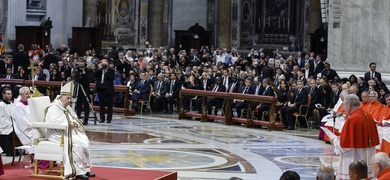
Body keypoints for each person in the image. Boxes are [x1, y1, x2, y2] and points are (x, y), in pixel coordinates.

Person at [45, 82, 95, 180]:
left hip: (68, 131)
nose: (69, 100)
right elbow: (53, 123)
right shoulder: (53, 108)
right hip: (56, 133)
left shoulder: (66, 106)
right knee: (76, 143)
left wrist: (75, 123)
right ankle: (77, 171)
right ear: (61, 97)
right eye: (67, 98)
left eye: (70, 98)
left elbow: (73, 117)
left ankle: (85, 169)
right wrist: (69, 124)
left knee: (84, 140)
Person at [331, 94, 380, 179]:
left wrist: (334, 141)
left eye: (344, 105)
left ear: (349, 105)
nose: (343, 108)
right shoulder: (368, 116)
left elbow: (344, 146)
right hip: (367, 157)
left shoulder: (352, 119)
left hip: (354, 158)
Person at [94, 59, 115, 123]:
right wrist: (99, 69)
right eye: (103, 63)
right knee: (101, 104)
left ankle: (109, 119)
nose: (104, 65)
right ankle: (102, 118)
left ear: (108, 64)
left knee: (109, 105)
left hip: (108, 89)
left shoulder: (111, 70)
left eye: (105, 63)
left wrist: (106, 72)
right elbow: (94, 75)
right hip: (101, 88)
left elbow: (112, 78)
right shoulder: (99, 70)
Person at [74, 59, 92, 125]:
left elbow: (90, 78)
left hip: (85, 89)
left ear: (84, 63)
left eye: (82, 62)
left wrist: (84, 73)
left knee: (86, 105)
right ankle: (78, 118)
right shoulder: (77, 69)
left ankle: (86, 119)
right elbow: (75, 78)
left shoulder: (88, 70)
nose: (81, 63)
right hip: (79, 89)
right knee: (78, 104)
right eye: (80, 62)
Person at [0, 87, 14, 156]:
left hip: (12, 125)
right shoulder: (1, 105)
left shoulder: (12, 104)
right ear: (3, 94)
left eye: (11, 94)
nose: (10, 95)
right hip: (5, 127)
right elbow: (2, 119)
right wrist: (12, 124)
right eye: (8, 94)